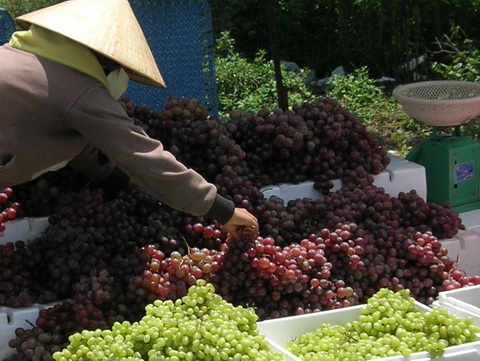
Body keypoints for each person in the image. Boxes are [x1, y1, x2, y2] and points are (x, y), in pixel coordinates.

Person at [0, 0, 258, 240]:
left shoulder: (23, 61)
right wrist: (222, 210)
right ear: (108, 63)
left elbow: (71, 139)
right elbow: (143, 156)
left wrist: (117, 180)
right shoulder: (79, 90)